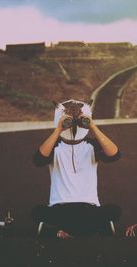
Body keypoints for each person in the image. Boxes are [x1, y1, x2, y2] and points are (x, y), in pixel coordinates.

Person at [32, 99, 122, 239]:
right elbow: (38, 159)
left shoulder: (92, 146)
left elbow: (115, 154)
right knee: (36, 211)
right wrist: (58, 130)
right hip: (61, 208)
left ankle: (57, 231)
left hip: (86, 207)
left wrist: (92, 126)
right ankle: (95, 228)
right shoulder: (54, 146)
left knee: (116, 210)